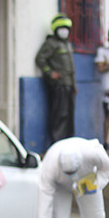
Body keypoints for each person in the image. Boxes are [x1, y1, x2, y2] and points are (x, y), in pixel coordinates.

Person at [35, 14, 77, 143]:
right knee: (59, 115)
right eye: (61, 28)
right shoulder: (51, 44)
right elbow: (40, 59)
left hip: (69, 85)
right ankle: (56, 143)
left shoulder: (67, 45)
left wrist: (74, 84)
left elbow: (71, 67)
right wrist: (50, 73)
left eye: (66, 28)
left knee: (69, 116)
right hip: (58, 86)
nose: (64, 31)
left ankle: (68, 143)